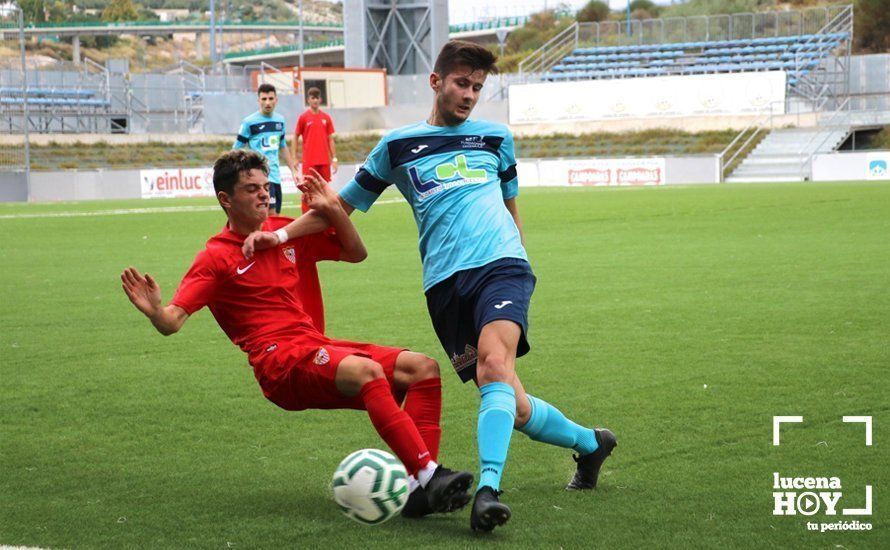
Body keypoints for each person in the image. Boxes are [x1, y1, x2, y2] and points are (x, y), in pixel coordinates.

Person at [243, 40, 617, 533]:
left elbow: (510, 206)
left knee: (494, 364)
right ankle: (592, 444)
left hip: (501, 265)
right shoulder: (398, 145)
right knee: (511, 400)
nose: (469, 95)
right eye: (462, 83)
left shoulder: (495, 138)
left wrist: (519, 259)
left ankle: (488, 492)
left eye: (478, 88)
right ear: (436, 81)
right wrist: (280, 233)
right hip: (444, 284)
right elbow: (339, 209)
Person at [121, 149, 473, 517]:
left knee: (423, 368)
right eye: (251, 188)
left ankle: (418, 490)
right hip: (279, 364)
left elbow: (356, 253)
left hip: (313, 346)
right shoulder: (215, 257)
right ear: (226, 199)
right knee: (366, 372)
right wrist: (156, 311)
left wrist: (334, 208)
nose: (264, 194)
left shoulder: (282, 231)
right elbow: (172, 321)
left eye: (265, 186)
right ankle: (429, 474)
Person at [234, 83, 298, 214]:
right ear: (258, 100)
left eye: (270, 98)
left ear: (276, 99)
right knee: (269, 216)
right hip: (259, 178)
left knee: (275, 217)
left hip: (275, 177)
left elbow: (283, 146)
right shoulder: (249, 122)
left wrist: (293, 170)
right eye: (264, 99)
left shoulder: (280, 121)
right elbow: (236, 150)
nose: (267, 102)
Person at [293, 86, 338, 214]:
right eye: (313, 98)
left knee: (325, 189)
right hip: (309, 160)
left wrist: (334, 158)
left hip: (324, 160)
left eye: (317, 97)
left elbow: (330, 139)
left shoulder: (326, 117)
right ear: (308, 100)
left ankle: (325, 214)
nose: (315, 100)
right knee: (307, 188)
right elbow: (295, 137)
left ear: (320, 99)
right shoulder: (303, 117)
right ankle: (305, 215)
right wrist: (295, 157)